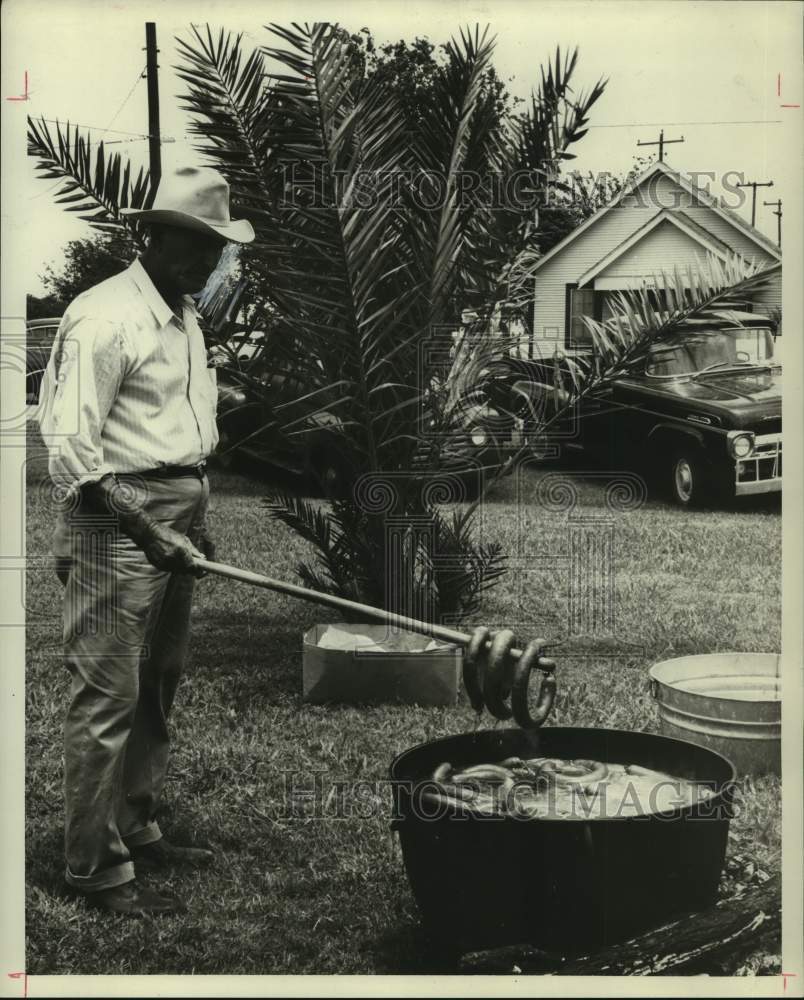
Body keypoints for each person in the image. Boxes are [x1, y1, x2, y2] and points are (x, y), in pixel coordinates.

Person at [38, 165, 255, 916]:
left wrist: (195, 517)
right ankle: (94, 866)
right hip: (115, 518)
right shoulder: (105, 317)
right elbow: (69, 448)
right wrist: (147, 526)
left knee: (158, 680)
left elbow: (179, 433)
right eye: (193, 243)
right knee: (108, 693)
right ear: (152, 237)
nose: (206, 260)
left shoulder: (184, 315)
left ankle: (135, 823)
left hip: (175, 511)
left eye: (216, 247)